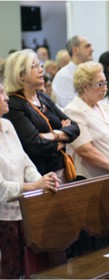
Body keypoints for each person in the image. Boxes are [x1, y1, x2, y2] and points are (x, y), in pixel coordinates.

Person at [0, 82, 60, 279]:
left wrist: (43, 180)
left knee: (25, 272)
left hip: (23, 212)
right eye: (1, 93)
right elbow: (1, 189)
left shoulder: (7, 125)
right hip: (3, 219)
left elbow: (26, 162)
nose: (6, 97)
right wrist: (34, 186)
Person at [3, 49, 80, 182]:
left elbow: (74, 127)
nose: (41, 70)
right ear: (21, 75)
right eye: (35, 66)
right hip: (42, 176)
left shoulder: (42, 97)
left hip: (63, 168)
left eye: (40, 65)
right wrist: (63, 139)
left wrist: (53, 135)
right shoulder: (14, 104)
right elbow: (35, 145)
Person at [63, 61, 109, 179]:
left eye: (105, 83)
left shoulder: (105, 107)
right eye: (100, 84)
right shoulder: (73, 111)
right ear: (84, 86)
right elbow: (85, 150)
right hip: (92, 179)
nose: (105, 88)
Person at [52, 35, 94, 108]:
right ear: (75, 50)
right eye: (87, 46)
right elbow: (70, 107)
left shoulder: (91, 72)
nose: (92, 49)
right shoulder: (64, 76)